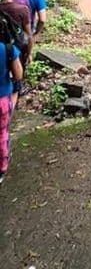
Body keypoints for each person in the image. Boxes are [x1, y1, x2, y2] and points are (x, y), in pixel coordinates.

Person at [0, 33, 23, 185]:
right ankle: (2, 166)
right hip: (2, 99)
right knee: (2, 133)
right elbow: (18, 74)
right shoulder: (8, 49)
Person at [0, 0, 32, 79]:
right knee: (17, 80)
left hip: (1, 50)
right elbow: (29, 35)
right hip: (17, 50)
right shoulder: (22, 10)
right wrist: (29, 53)